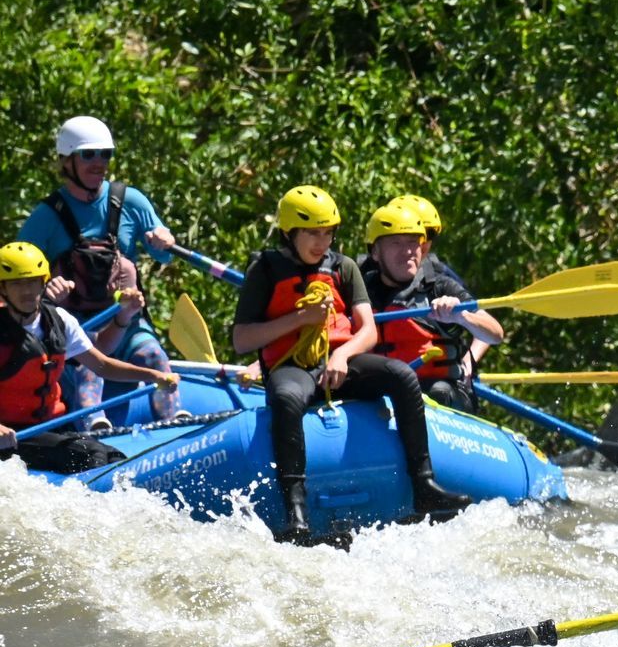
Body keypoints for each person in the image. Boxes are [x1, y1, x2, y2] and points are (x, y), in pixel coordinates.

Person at [231, 185, 471, 543]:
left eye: (327, 233)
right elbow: (242, 340)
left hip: (341, 362)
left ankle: (424, 485)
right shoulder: (264, 270)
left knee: (402, 375)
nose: (322, 242)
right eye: (313, 233)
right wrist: (301, 319)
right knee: (286, 399)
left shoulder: (343, 267)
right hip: (294, 367)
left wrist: (342, 355)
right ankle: (296, 513)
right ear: (289, 233)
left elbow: (368, 330)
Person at [16, 117, 180, 423]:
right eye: (88, 154)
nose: (99, 163)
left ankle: (174, 425)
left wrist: (164, 240)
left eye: (105, 154)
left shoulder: (131, 201)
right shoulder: (46, 216)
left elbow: (165, 256)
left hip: (126, 322)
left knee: (155, 357)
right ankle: (94, 429)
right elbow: (15, 274)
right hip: (76, 328)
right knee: (88, 370)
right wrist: (46, 287)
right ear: (67, 161)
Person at [0, 242, 177, 472]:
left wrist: (154, 376)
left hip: (50, 427)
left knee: (113, 456)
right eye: (17, 283)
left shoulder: (59, 321)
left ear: (43, 282)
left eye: (32, 281)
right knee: (91, 456)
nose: (27, 291)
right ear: (3, 288)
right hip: (11, 436)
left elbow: (102, 365)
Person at [357, 200, 501, 411]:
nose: (409, 251)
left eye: (414, 241)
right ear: (375, 252)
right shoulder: (358, 287)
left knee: (438, 392)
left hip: (438, 391)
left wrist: (461, 317)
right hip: (381, 391)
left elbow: (496, 334)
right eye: (396, 242)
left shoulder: (441, 285)